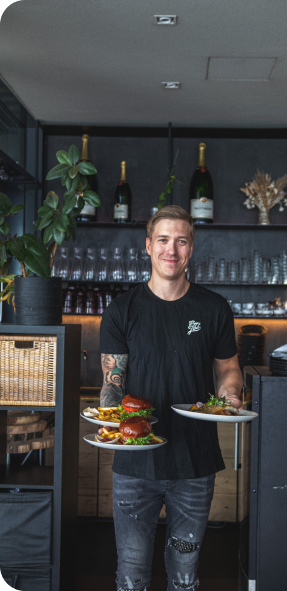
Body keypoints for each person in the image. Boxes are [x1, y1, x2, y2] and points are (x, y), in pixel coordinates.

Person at [100, 205, 243, 591]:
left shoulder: (213, 308)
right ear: (148, 246)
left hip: (194, 469)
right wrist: (107, 419)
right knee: (132, 574)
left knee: (183, 571)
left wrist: (230, 392)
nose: (171, 249)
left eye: (181, 241)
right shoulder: (121, 310)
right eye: (163, 240)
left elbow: (228, 368)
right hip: (134, 471)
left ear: (191, 249)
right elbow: (113, 382)